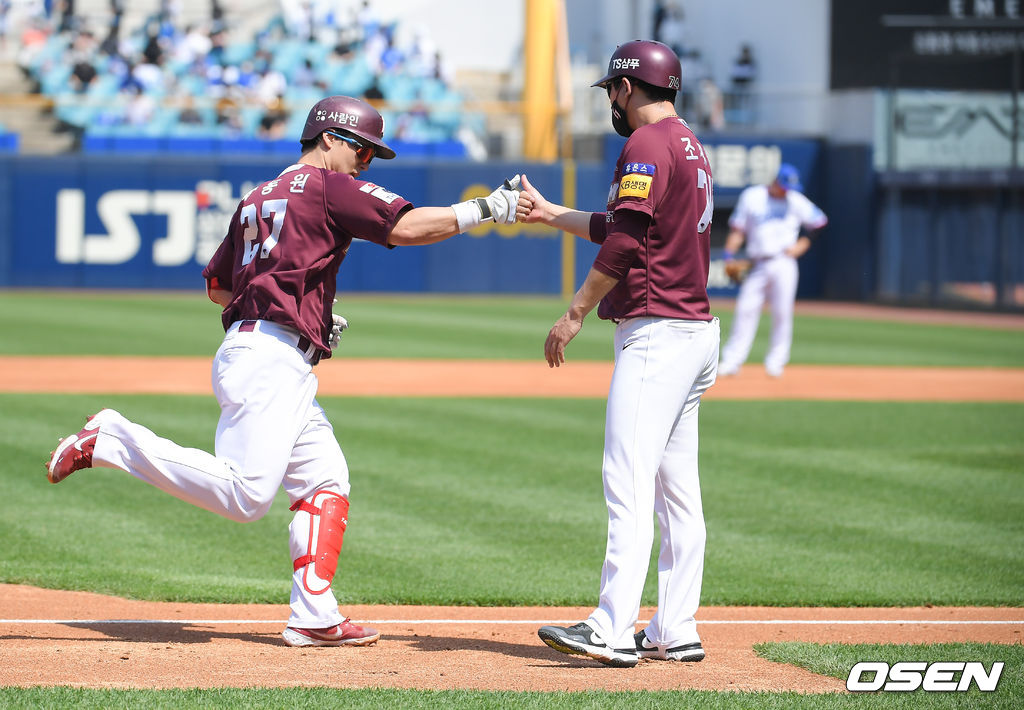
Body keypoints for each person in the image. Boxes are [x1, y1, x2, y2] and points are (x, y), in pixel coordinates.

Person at [45, 95, 530, 649]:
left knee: (325, 479)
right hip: (269, 359)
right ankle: (111, 439)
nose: (364, 163)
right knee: (245, 497)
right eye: (361, 150)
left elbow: (219, 287)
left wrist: (303, 310)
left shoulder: (257, 195)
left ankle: (314, 614)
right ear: (329, 138)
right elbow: (408, 227)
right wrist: (485, 208)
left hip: (267, 351)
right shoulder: (326, 185)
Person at [520, 40, 719, 668]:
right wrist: (552, 214)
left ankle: (611, 628)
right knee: (677, 492)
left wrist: (575, 311)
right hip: (694, 331)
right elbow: (628, 224)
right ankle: (675, 627)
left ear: (628, 88)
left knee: (627, 482)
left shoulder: (646, 143)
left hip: (658, 333)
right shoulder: (688, 143)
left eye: (611, 87)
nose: (610, 98)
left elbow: (628, 239)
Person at [718, 164, 828, 378]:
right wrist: (729, 255)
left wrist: (803, 244)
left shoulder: (795, 200)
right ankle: (732, 361)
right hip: (758, 262)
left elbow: (820, 222)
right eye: (784, 186)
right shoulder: (752, 196)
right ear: (775, 181)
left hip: (784, 262)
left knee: (782, 313)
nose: (787, 191)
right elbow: (738, 230)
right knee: (745, 310)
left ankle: (776, 362)